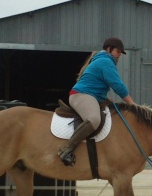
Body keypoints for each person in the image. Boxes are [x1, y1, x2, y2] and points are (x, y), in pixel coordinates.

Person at [58, 37, 136, 166]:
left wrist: (106, 99)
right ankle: (66, 149)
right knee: (94, 119)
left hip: (92, 96)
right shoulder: (105, 62)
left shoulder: (103, 60)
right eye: (118, 51)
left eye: (121, 53)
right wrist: (132, 104)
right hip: (81, 95)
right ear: (109, 49)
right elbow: (118, 86)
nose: (119, 55)